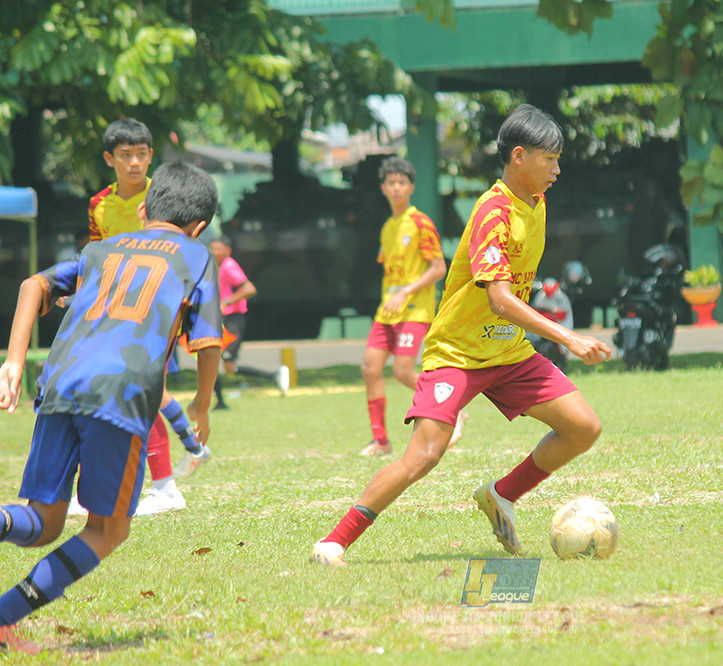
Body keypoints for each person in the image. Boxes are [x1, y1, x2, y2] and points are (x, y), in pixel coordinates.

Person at [311, 104, 612, 566]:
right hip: (458, 353)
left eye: (557, 158)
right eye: (549, 158)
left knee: (583, 427)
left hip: (508, 352)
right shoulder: (493, 212)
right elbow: (500, 299)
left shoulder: (538, 201)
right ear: (518, 157)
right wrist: (568, 338)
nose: (557, 168)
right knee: (424, 456)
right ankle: (334, 542)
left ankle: (501, 494)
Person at [0, 161, 223, 653]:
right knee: (108, 528)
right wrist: (203, 406)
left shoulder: (101, 249)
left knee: (43, 523)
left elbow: (32, 285)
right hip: (118, 396)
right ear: (199, 226)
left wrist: (13, 361)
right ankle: (4, 615)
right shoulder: (196, 256)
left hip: (58, 384)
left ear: (144, 210)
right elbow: (208, 343)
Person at [85, 117, 204, 516]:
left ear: (151, 156)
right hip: (114, 309)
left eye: (141, 154)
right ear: (109, 159)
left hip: (158, 308)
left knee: (141, 389)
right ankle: (120, 486)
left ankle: (167, 485)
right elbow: (97, 255)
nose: (135, 163)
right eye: (125, 155)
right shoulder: (99, 205)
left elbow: (187, 246)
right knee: (117, 390)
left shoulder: (164, 195)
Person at [358, 156, 462, 457]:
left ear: (411, 187)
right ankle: (380, 440)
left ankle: (452, 411)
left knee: (403, 371)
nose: (397, 188)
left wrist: (405, 292)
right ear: (384, 188)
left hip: (415, 309)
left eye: (402, 183)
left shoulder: (420, 222)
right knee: (369, 368)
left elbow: (438, 268)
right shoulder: (389, 228)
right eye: (392, 183)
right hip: (387, 311)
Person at [209, 235, 289, 410]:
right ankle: (220, 402)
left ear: (227, 250)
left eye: (218, 249)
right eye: (212, 248)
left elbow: (249, 288)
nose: (214, 252)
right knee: (214, 358)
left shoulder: (229, 266)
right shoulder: (218, 267)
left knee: (225, 361)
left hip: (233, 320)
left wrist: (227, 302)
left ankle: (273, 376)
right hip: (224, 320)